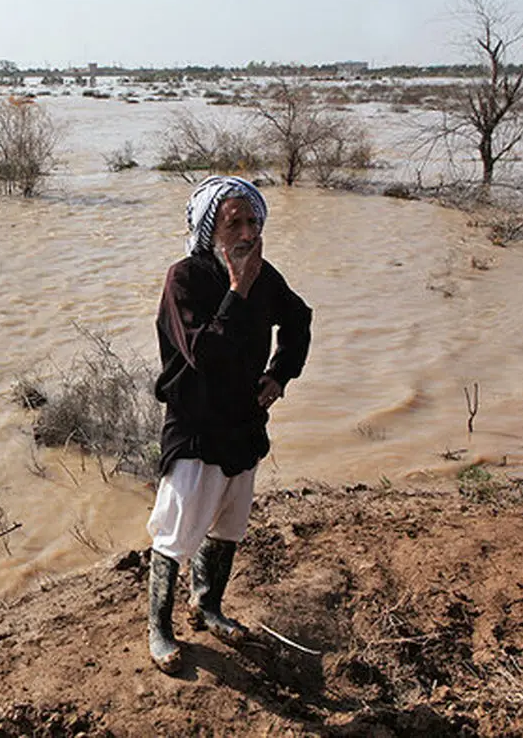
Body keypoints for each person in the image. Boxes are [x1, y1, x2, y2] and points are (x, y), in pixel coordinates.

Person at [146, 175, 312, 674]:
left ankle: (207, 604)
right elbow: (202, 355)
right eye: (232, 222)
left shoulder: (264, 275)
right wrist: (237, 290)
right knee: (174, 533)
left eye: (253, 220)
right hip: (196, 424)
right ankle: (159, 627)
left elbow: (299, 318)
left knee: (229, 527)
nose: (245, 232)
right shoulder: (185, 279)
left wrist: (279, 375)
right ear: (207, 229)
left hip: (243, 421)